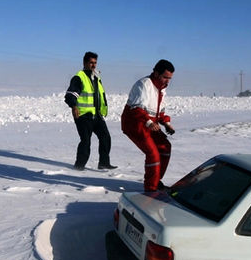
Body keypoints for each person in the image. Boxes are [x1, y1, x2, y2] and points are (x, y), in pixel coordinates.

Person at [121, 59, 176, 192]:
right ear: (156, 73)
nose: (167, 81)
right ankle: (151, 189)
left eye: (170, 78)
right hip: (135, 124)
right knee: (153, 154)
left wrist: (167, 124)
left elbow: (159, 112)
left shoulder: (162, 89)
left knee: (165, 147)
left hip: (149, 123)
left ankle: (156, 181)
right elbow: (136, 109)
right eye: (165, 77)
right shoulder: (144, 85)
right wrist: (149, 122)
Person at [64, 51, 116, 170]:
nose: (93, 65)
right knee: (86, 141)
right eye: (91, 62)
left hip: (96, 115)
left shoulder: (96, 78)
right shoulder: (79, 77)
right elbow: (70, 95)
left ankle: (104, 163)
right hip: (83, 115)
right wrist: (74, 106)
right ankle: (79, 166)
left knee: (105, 137)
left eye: (95, 63)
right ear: (84, 62)